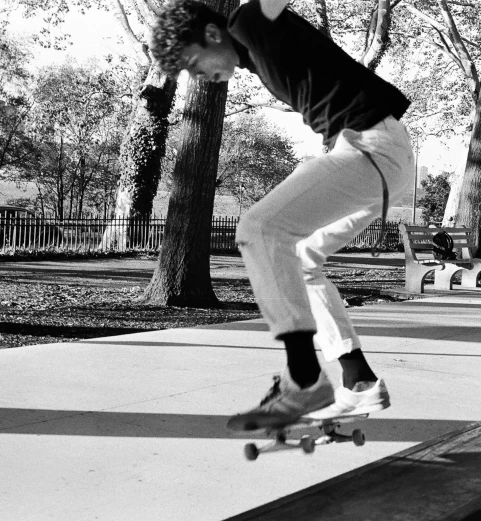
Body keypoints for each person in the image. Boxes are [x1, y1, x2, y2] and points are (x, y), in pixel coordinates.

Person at [151, 0, 414, 429]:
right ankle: (358, 377)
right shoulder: (252, 53)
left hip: (371, 149)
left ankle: (305, 379)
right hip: (379, 157)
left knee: (260, 227)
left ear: (213, 35)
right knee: (303, 258)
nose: (198, 79)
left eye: (195, 65)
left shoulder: (251, 21)